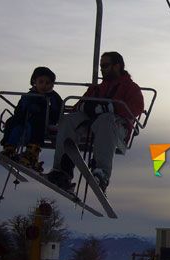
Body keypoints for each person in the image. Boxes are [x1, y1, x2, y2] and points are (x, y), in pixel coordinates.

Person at [46, 52, 144, 192]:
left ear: (117, 66)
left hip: (116, 128)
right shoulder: (96, 89)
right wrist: (86, 107)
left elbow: (136, 108)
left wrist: (109, 108)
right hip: (91, 126)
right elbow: (77, 107)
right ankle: (61, 169)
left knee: (106, 119)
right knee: (69, 120)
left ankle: (102, 172)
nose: (102, 69)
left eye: (105, 65)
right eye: (101, 66)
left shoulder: (131, 88)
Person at [1, 67, 62, 172]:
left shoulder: (53, 97)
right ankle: (9, 147)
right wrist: (22, 113)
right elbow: (19, 109)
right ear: (34, 81)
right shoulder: (29, 95)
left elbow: (58, 111)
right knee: (12, 122)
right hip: (26, 120)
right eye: (41, 82)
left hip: (44, 122)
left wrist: (45, 109)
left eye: (47, 83)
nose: (44, 85)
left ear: (52, 84)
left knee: (37, 123)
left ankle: (32, 153)